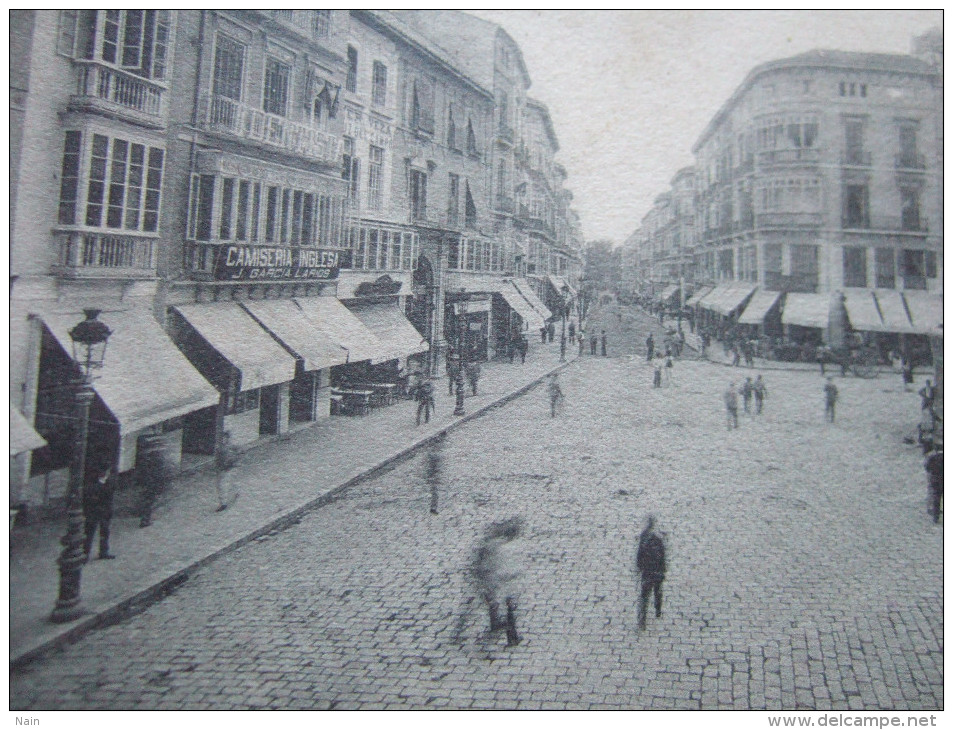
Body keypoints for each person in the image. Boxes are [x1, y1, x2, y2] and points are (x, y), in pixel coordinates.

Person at [473, 517, 525, 647]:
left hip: (494, 581)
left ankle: (496, 624)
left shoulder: (492, 545)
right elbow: (507, 569)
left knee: (496, 604)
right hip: (501, 581)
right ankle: (511, 637)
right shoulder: (503, 548)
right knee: (509, 609)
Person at [636, 516, 666, 631]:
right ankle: (657, 609)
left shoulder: (644, 538)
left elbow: (640, 554)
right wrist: (663, 570)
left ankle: (642, 619)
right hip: (656, 571)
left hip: (647, 572)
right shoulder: (658, 539)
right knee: (657, 591)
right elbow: (662, 556)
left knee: (645, 595)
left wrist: (639, 566)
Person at [83, 463, 116, 560]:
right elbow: (89, 495)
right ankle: (85, 554)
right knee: (89, 533)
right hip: (93, 511)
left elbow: (110, 494)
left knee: (105, 532)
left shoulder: (110, 481)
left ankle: (103, 552)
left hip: (105, 511)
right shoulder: (93, 482)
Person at [215, 431, 241, 512]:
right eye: (223, 438)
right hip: (224, 468)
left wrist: (234, 461)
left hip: (231, 468)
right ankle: (237, 492)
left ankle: (223, 503)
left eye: (225, 438)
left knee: (222, 485)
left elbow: (240, 453)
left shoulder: (232, 447)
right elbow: (218, 458)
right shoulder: (220, 448)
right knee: (231, 482)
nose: (224, 440)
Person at [426, 432, 445, 515]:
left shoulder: (432, 453)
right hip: (433, 474)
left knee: (434, 490)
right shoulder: (435, 455)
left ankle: (433, 505)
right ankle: (433, 505)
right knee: (434, 490)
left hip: (432, 473)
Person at [925, 443, 943, 523]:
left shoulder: (932, 458)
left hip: (935, 480)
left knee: (936, 498)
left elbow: (927, 467)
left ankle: (936, 516)